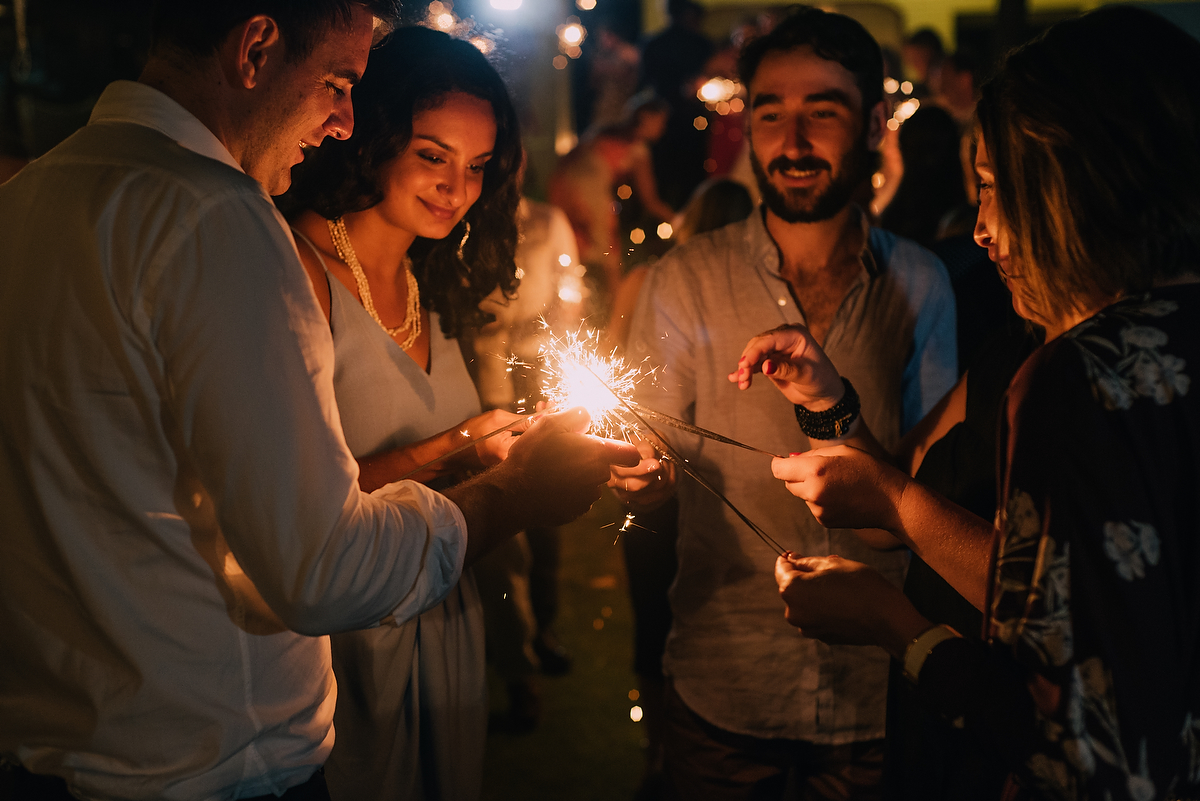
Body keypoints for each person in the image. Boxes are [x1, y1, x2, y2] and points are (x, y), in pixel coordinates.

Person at [0, 5, 639, 800]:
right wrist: (514, 492)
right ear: (257, 46)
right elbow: (321, 569)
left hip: (55, 746)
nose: (343, 122)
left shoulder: (30, 198)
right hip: (210, 758)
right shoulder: (220, 217)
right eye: (338, 84)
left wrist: (460, 447)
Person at [739, 7, 1200, 799]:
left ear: (1080, 178)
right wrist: (825, 400)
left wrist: (893, 624)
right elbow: (898, 481)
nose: (982, 232)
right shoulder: (1028, 342)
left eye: (996, 190)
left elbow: (1074, 739)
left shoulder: (1078, 377)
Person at [611, 7, 957, 798]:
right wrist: (638, 472)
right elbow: (650, 442)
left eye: (822, 111)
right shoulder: (685, 278)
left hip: (879, 696)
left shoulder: (922, 284)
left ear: (873, 123)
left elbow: (931, 494)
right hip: (724, 682)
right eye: (770, 112)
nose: (792, 141)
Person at [282, 25, 528, 799]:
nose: (457, 188)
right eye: (432, 155)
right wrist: (455, 443)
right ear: (373, 135)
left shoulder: (433, 283)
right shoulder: (297, 272)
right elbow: (295, 500)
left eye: (478, 166)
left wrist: (509, 456)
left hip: (442, 617)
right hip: (345, 645)